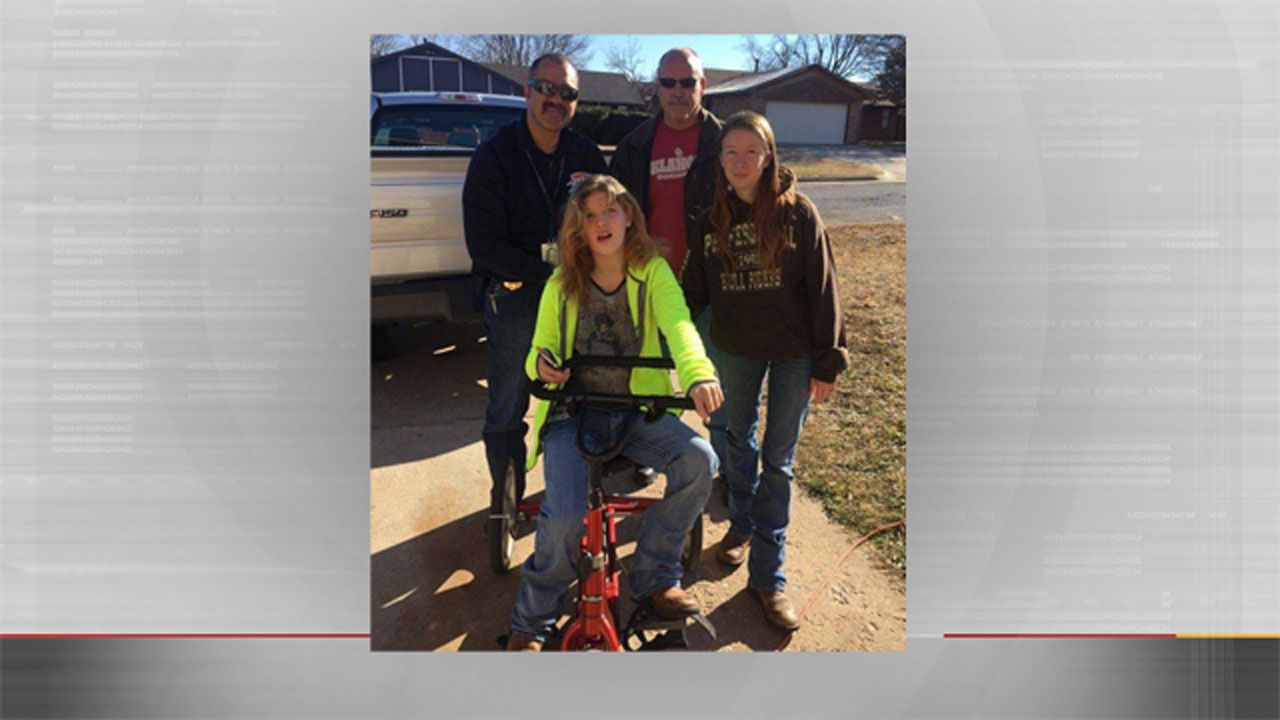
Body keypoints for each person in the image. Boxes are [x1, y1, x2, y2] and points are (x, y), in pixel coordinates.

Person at [506, 175, 723, 651]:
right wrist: (542, 364)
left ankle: (653, 576)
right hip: (573, 415)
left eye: (611, 211)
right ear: (578, 228)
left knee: (699, 462)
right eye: (589, 216)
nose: (601, 223)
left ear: (629, 218)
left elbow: (679, 324)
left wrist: (698, 373)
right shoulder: (562, 283)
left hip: (636, 411)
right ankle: (532, 620)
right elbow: (538, 349)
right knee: (562, 519)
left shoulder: (654, 273)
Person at [682, 111, 849, 631]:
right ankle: (743, 523)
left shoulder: (799, 214)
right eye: (730, 152)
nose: (739, 162)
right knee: (735, 438)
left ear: (769, 155)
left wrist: (828, 360)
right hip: (735, 349)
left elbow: (825, 290)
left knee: (778, 459)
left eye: (750, 151)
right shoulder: (712, 222)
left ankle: (768, 578)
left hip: (795, 354)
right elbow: (690, 294)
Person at [463, 53, 607, 517]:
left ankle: (574, 487)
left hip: (578, 295)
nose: (556, 100)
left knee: (586, 392)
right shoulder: (495, 156)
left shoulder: (585, 154)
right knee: (508, 403)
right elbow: (483, 244)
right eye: (547, 89)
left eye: (567, 93)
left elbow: (608, 221)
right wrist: (547, 273)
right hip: (517, 294)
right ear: (527, 91)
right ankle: (506, 496)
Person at [609, 47, 728, 484]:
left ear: (703, 85)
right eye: (668, 82)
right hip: (650, 287)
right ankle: (647, 451)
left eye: (687, 82)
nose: (678, 91)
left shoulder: (724, 142)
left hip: (714, 287)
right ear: (656, 87)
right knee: (648, 381)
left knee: (715, 386)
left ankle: (726, 471)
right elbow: (610, 214)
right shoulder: (634, 145)